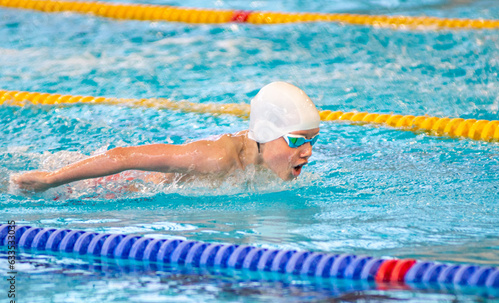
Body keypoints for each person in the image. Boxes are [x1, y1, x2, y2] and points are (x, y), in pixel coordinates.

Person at [12, 81, 321, 193]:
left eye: (313, 140)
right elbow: (124, 157)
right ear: (266, 134)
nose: (308, 152)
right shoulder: (215, 159)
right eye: (297, 140)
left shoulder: (265, 157)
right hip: (119, 186)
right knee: (14, 183)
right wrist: (52, 179)